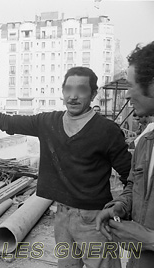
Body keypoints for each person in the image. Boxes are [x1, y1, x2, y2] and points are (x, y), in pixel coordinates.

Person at [0, 66, 131, 268]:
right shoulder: (48, 122)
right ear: (62, 92)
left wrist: (122, 208)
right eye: (68, 89)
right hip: (62, 216)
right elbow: (6, 122)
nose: (73, 96)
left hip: (94, 220)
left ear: (93, 94)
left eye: (81, 90)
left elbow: (130, 176)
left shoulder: (107, 131)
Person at [96, 41, 154, 268]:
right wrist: (120, 206)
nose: (128, 94)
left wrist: (149, 240)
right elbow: (133, 186)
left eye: (131, 85)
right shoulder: (145, 142)